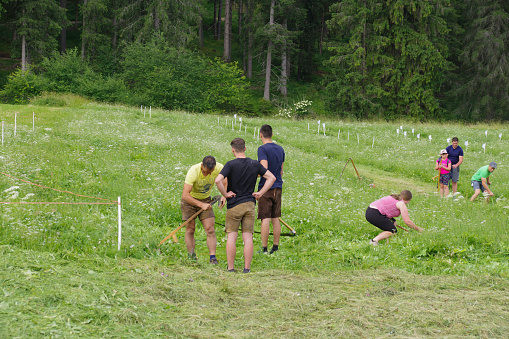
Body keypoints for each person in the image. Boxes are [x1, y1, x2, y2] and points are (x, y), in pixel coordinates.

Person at [215, 138, 276, 273]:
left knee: (232, 236)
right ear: (245, 148)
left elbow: (218, 180)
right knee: (248, 237)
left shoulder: (230, 165)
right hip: (249, 204)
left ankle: (231, 268)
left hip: (235, 205)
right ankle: (246, 268)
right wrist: (260, 193)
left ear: (233, 150)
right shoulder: (255, 164)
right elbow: (272, 178)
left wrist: (225, 194)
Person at [181, 155, 226, 264]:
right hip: (189, 201)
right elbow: (185, 195)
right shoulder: (194, 171)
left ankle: (212, 258)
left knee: (210, 229)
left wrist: (224, 195)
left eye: (211, 172)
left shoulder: (220, 168)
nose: (209, 174)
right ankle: (191, 256)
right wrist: (200, 205)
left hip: (206, 200)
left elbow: (225, 180)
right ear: (202, 166)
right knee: (190, 229)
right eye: (206, 172)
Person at [257, 124, 285, 254]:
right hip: (278, 187)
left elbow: (264, 168)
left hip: (266, 187)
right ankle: (275, 247)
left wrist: (255, 173)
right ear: (272, 135)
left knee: (265, 219)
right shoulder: (280, 149)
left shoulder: (262, 149)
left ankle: (264, 248)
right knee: (275, 218)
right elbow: (281, 171)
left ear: (261, 135)